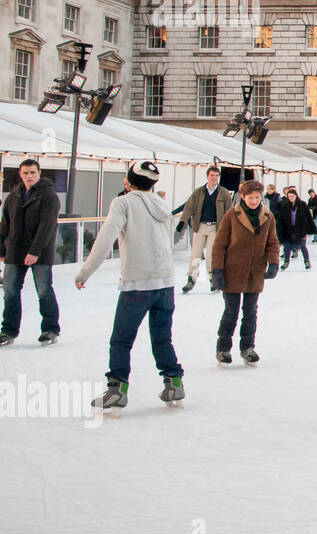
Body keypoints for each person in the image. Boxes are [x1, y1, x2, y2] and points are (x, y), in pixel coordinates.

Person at [75, 161, 185, 413]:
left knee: (121, 340)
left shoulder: (123, 203)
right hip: (165, 281)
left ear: (129, 179)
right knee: (162, 338)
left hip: (137, 283)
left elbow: (104, 240)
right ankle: (174, 382)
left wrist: (85, 273)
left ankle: (117, 390)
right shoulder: (161, 203)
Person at [210, 180, 280, 366]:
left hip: (255, 271)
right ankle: (223, 348)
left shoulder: (267, 216)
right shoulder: (232, 215)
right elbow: (219, 245)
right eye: (250, 198)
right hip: (232, 270)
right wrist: (216, 270)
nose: (254, 201)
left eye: (257, 197)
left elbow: (272, 242)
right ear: (243, 196)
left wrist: (273, 263)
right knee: (231, 311)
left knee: (250, 312)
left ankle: (247, 347)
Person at [0, 158, 61, 347]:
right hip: (14, 251)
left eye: (33, 172)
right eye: (25, 173)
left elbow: (47, 227)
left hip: (40, 253)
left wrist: (34, 251)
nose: (29, 176)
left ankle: (50, 329)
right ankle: (8, 330)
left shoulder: (49, 196)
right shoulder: (14, 196)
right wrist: (1, 249)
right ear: (20, 174)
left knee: (44, 290)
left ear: (39, 173)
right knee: (10, 291)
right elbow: (5, 225)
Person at [177, 166, 233, 294]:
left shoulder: (223, 193)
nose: (214, 178)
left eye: (216, 175)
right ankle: (191, 278)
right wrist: (182, 221)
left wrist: (229, 227)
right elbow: (189, 207)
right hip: (200, 225)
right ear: (207, 176)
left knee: (211, 254)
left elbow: (229, 211)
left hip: (215, 227)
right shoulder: (199, 192)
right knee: (195, 254)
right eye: (212, 175)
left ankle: (213, 280)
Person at [275, 187, 316, 270]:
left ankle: (307, 261)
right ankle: (286, 262)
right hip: (288, 229)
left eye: (292, 196)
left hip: (300, 229)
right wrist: (279, 230)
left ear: (296, 196)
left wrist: (312, 228)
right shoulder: (285, 206)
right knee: (287, 246)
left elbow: (308, 217)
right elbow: (281, 219)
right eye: (289, 196)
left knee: (302, 246)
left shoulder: (302, 204)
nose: (291, 198)